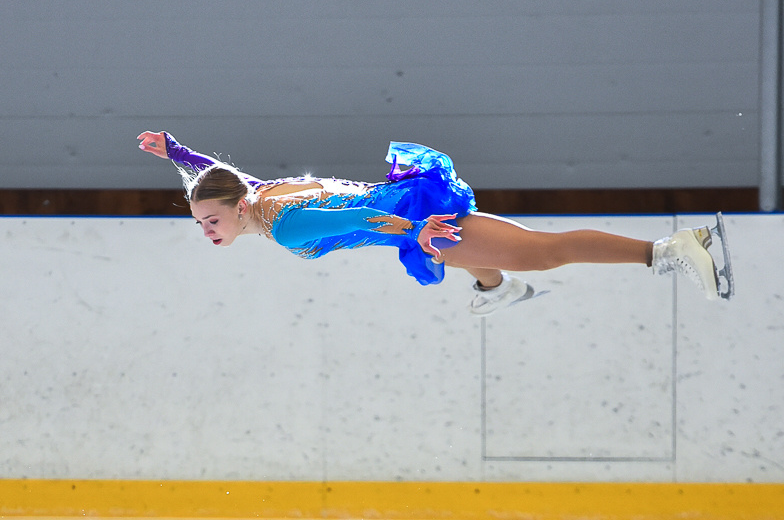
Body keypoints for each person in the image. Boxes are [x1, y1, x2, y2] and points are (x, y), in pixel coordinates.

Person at [137, 131, 732, 315]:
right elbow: (220, 174)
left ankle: (669, 251)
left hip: (417, 215)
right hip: (410, 206)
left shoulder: (284, 227)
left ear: (237, 209)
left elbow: (362, 218)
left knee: (546, 251)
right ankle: (498, 289)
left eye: (210, 220)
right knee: (472, 260)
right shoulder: (258, 194)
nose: (207, 230)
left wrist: (414, 232)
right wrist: (178, 153)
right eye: (199, 223)